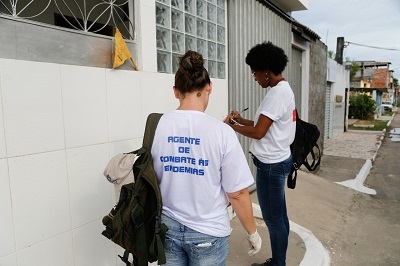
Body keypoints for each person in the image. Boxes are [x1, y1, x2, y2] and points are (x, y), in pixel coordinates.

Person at [151, 50, 262, 266]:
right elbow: (238, 194)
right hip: (208, 234)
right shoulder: (222, 132)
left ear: (176, 91)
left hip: (168, 229)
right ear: (209, 87)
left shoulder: (157, 125)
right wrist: (252, 232)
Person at [224, 41, 296, 266]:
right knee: (280, 217)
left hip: (271, 166)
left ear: (266, 71)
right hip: (278, 160)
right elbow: (262, 123)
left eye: (255, 72)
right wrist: (239, 120)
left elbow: (258, 131)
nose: (254, 77)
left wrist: (230, 126)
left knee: (274, 220)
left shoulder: (277, 95)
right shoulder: (282, 89)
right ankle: (279, 260)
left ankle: (278, 264)